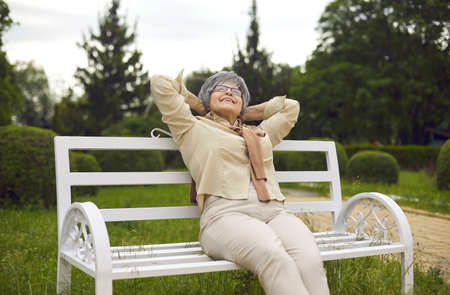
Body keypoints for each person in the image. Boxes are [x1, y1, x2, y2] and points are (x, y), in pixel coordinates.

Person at [150, 70, 329, 295]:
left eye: (236, 91)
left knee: (309, 262)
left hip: (275, 213)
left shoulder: (260, 133)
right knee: (275, 258)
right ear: (207, 97)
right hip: (225, 216)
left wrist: (244, 111)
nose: (228, 92)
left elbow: (290, 107)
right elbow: (160, 83)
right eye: (221, 89)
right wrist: (202, 105)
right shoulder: (191, 127)